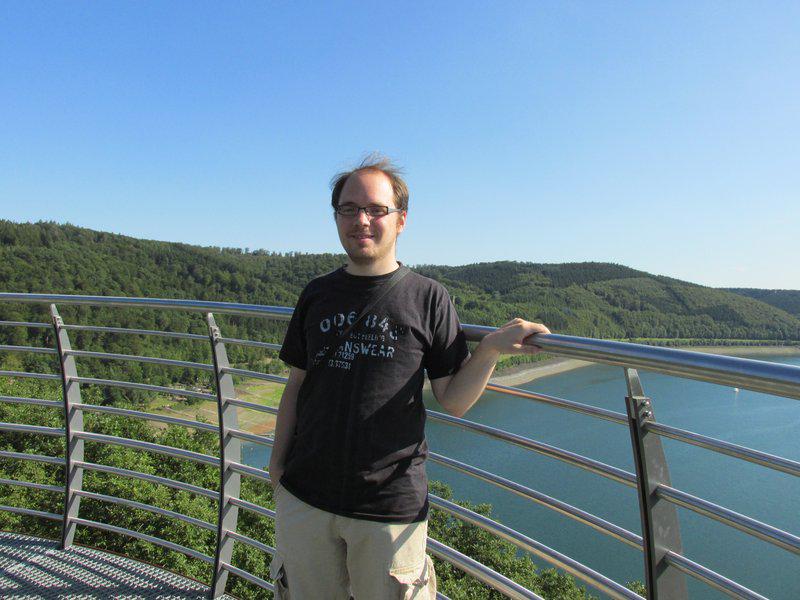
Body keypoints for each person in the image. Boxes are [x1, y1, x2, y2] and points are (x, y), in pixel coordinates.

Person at [268, 155, 550, 599]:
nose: (361, 220)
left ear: (400, 220)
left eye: (375, 209)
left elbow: (453, 399)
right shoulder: (317, 293)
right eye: (348, 209)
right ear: (336, 217)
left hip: (388, 508)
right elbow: (297, 385)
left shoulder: (429, 298)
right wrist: (277, 468)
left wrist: (491, 348)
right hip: (305, 496)